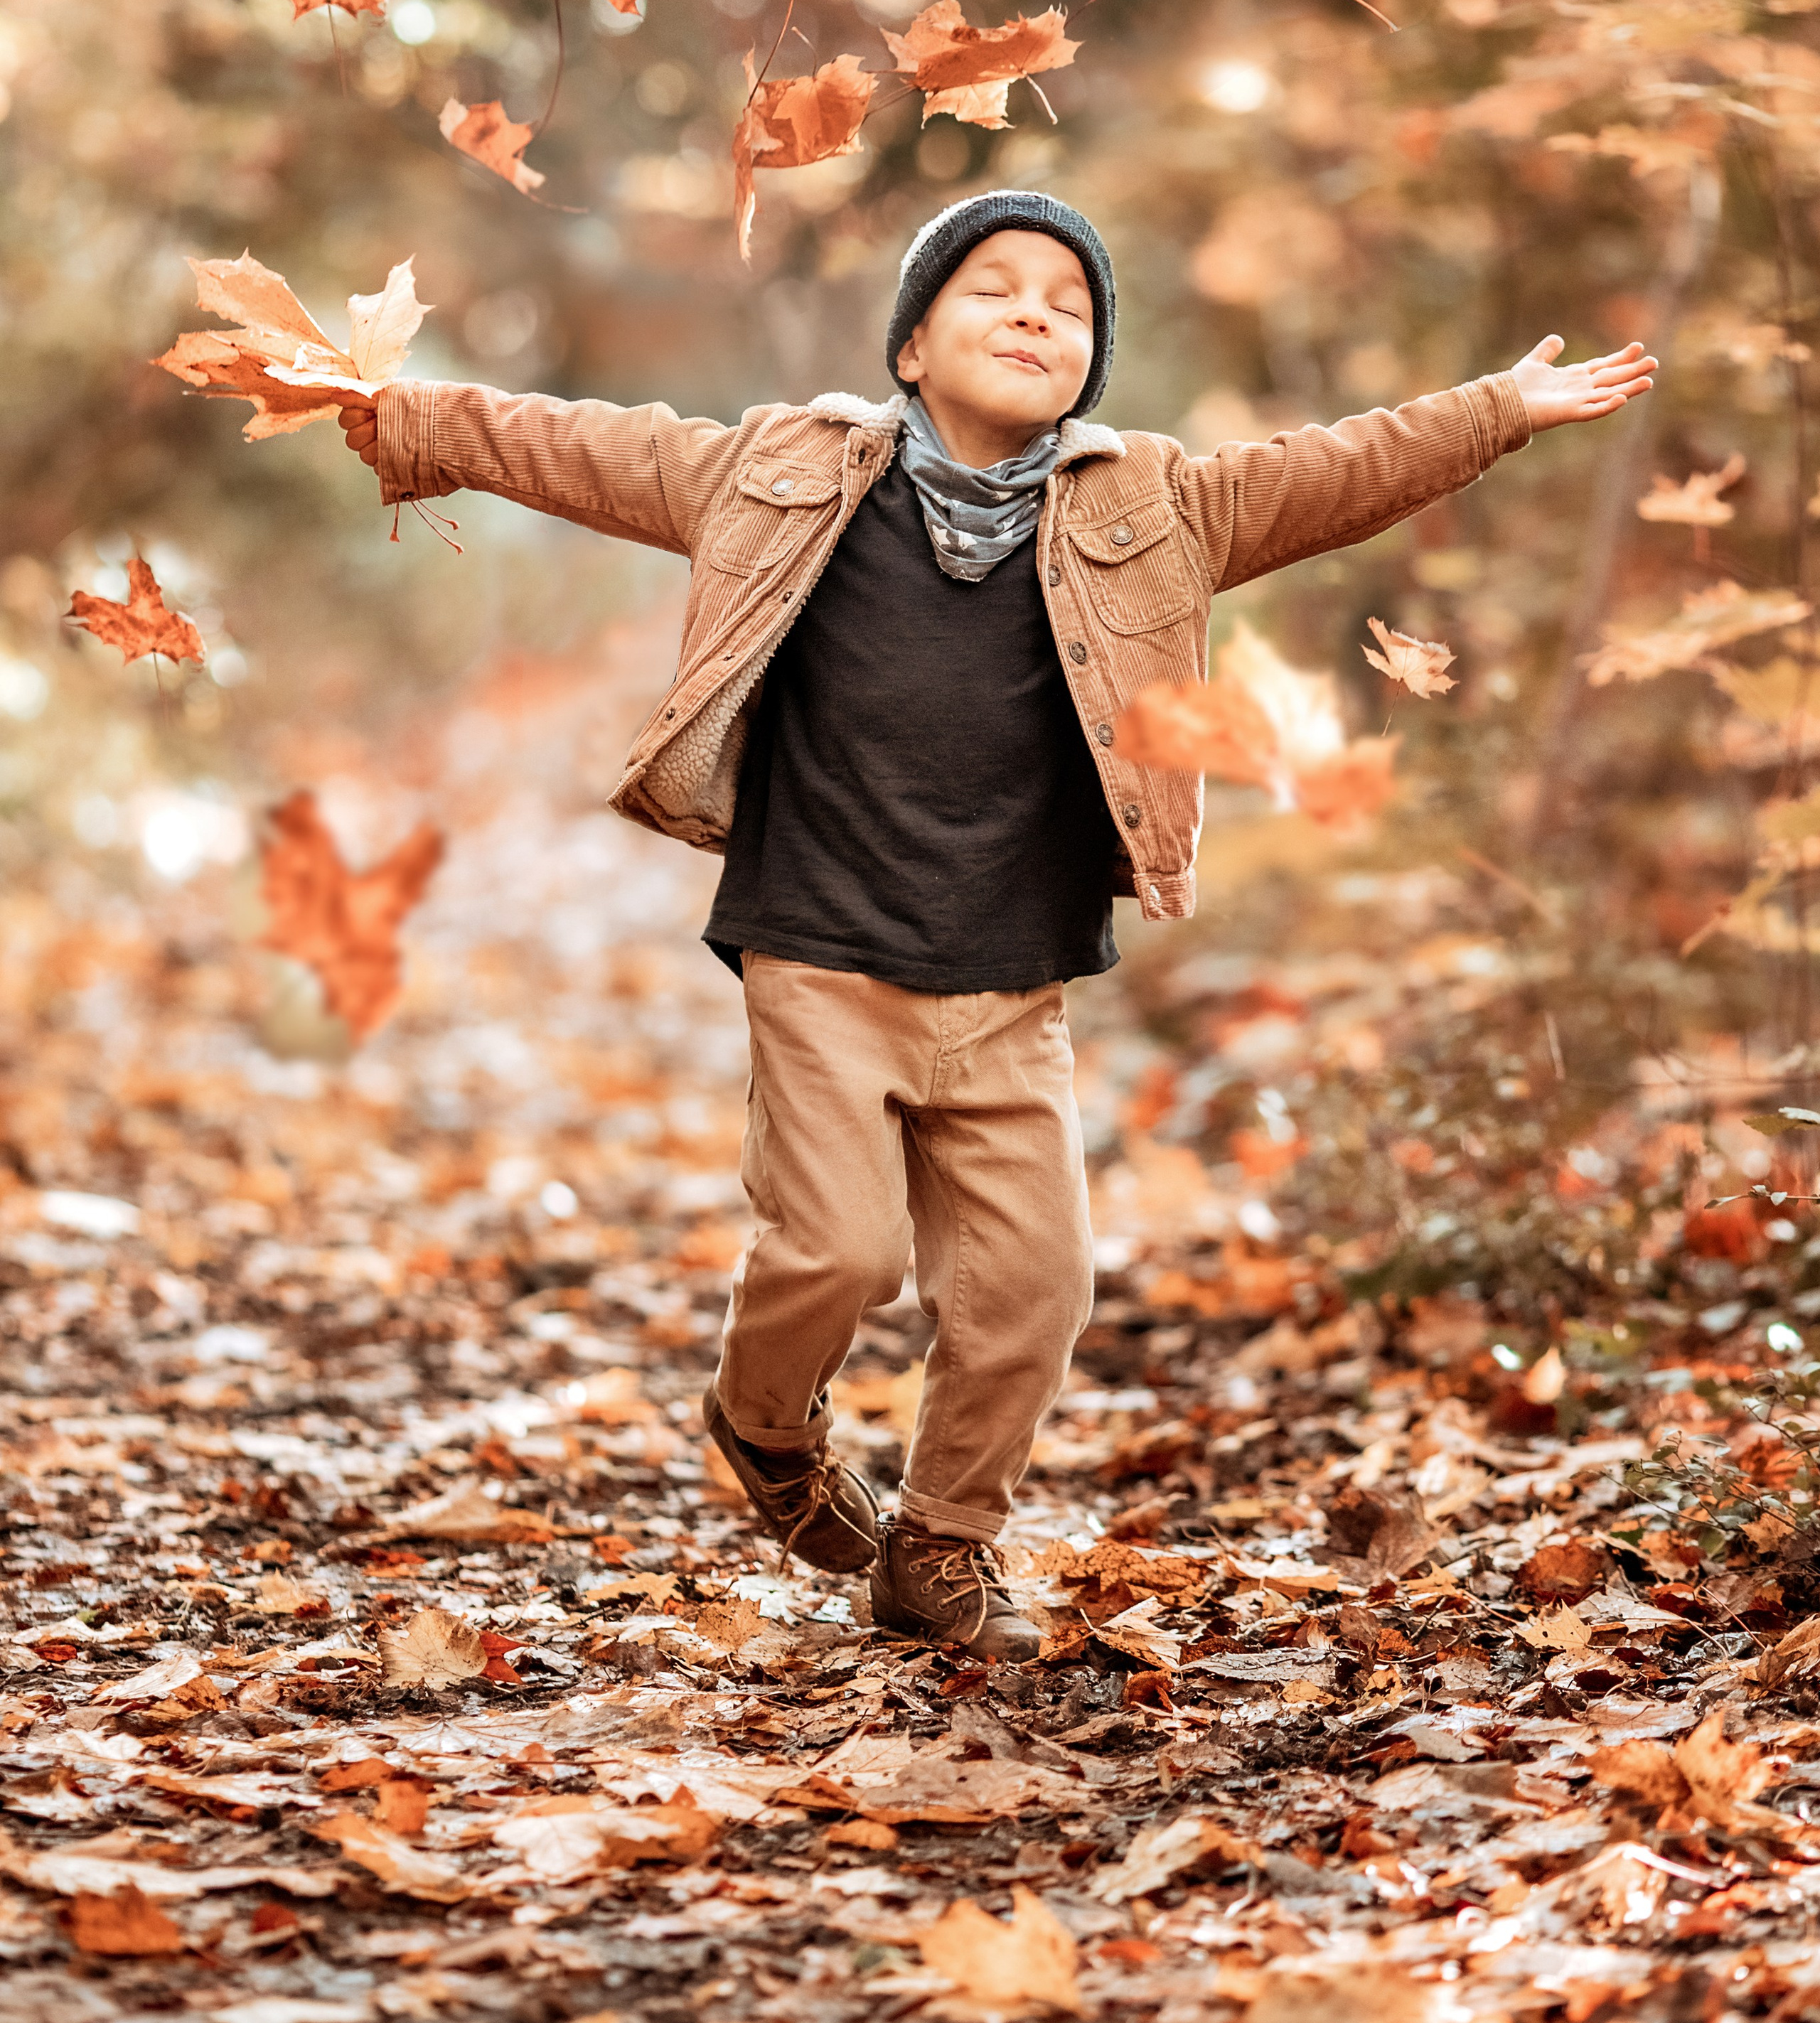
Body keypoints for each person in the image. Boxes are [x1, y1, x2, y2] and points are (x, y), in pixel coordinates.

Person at [339, 188, 1654, 1656]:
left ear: (1087, 369)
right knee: (838, 1252)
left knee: (1036, 1290)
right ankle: (764, 1423)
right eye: (993, 288)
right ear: (911, 345)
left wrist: (1499, 409)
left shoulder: (1155, 507)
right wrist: (408, 418)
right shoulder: (780, 471)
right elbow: (580, 443)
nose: (1035, 311)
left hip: (1014, 984)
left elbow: (1335, 469)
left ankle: (941, 1543)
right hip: (822, 956)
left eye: (1068, 305)